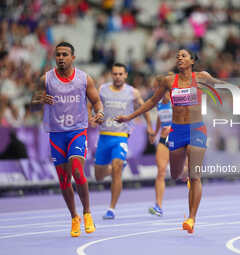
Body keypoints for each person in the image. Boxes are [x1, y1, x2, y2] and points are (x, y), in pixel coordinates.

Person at [116, 49, 240, 233]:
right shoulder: (169, 81)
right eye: (177, 56)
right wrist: (130, 117)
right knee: (176, 174)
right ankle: (184, 174)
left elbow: (220, 85)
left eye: (183, 56)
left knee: (195, 175)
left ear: (192, 60)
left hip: (196, 129)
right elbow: (152, 101)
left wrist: (237, 88)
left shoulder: (201, 77)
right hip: (176, 132)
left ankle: (191, 218)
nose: (179, 58)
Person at [31, 41, 104, 237]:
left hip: (77, 131)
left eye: (65, 54)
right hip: (56, 133)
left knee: (78, 172)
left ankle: (87, 213)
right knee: (64, 180)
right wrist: (39, 100)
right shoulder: (45, 79)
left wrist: (100, 113)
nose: (61, 58)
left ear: (73, 57)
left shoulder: (84, 79)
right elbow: (32, 103)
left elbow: (96, 101)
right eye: (58, 55)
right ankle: (74, 217)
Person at [93, 63, 154, 220]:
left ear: (126, 75)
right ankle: (113, 168)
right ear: (111, 75)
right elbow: (91, 105)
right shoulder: (102, 90)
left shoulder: (132, 92)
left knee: (117, 167)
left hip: (121, 136)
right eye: (115, 74)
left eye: (121, 74)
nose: (118, 77)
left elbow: (145, 107)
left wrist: (149, 127)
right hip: (104, 136)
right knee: (98, 176)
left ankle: (111, 208)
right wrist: (92, 117)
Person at [148, 90, 172, 216]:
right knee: (161, 171)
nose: (166, 94)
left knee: (185, 172)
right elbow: (159, 118)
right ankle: (158, 205)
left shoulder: (178, 103)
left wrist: (173, 127)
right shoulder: (159, 104)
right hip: (164, 140)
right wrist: (155, 132)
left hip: (178, 139)